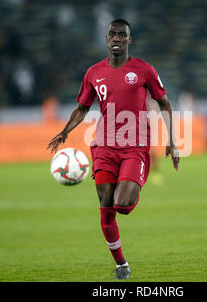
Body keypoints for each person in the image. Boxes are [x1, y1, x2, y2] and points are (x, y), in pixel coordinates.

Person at [47, 18, 179, 280]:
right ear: (106, 39)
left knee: (123, 204)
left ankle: (130, 186)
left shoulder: (145, 70)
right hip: (104, 146)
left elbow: (164, 103)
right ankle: (122, 265)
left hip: (135, 148)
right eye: (112, 34)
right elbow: (83, 108)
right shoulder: (93, 73)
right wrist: (65, 131)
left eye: (122, 34)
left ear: (129, 40)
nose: (116, 38)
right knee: (106, 209)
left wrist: (171, 140)